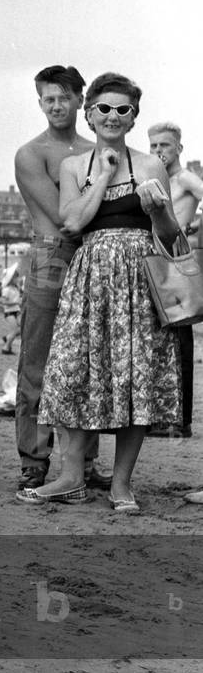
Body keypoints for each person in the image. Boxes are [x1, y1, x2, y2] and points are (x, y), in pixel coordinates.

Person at [18, 73, 180, 513]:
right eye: (103, 108)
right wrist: (105, 174)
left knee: (134, 378)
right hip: (90, 276)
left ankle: (122, 483)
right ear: (89, 114)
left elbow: (170, 237)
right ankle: (70, 476)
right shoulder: (76, 166)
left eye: (122, 109)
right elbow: (72, 222)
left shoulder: (151, 166)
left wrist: (160, 211)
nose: (112, 116)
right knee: (74, 371)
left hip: (139, 278)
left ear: (133, 118)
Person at [12, 65, 105, 492]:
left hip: (94, 257)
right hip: (53, 257)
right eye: (48, 98)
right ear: (39, 102)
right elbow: (65, 219)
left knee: (88, 361)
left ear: (79, 101)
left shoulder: (96, 148)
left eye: (64, 97)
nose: (56, 105)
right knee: (38, 363)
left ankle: (83, 461)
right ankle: (35, 459)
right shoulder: (32, 153)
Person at [147, 121, 203, 440]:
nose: (158, 151)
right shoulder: (153, 180)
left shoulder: (185, 178)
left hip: (176, 262)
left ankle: (181, 420)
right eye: (153, 146)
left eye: (164, 146)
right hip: (154, 262)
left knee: (181, 340)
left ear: (178, 148)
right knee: (157, 339)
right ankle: (162, 415)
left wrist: (193, 230)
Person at [0, 264, 22, 354]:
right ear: (12, 279)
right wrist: (16, 303)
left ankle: (7, 338)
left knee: (21, 329)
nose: (18, 279)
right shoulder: (6, 290)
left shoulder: (15, 288)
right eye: (16, 278)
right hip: (9, 312)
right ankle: (6, 348)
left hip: (16, 311)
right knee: (15, 330)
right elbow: (3, 302)